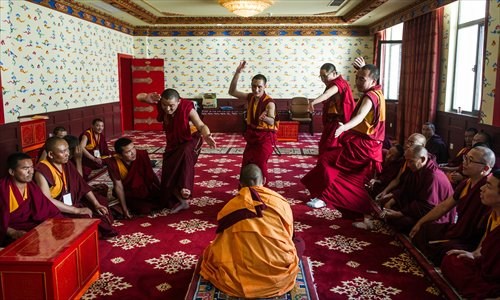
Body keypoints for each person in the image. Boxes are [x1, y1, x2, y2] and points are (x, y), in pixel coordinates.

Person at [200, 164, 299, 298]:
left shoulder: (230, 207)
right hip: (276, 270)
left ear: (240, 183)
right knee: (299, 244)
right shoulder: (280, 202)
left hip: (238, 272)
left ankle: (244, 279)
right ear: (264, 180)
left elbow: (222, 239)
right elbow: (289, 234)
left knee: (212, 253)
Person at [301, 63, 386, 215]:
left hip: (361, 143)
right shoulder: (377, 92)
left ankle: (324, 196)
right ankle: (353, 207)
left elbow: (360, 116)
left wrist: (344, 127)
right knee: (350, 175)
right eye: (357, 78)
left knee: (328, 161)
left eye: (362, 79)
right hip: (367, 143)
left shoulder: (369, 96)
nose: (358, 82)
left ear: (373, 81)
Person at [410, 146, 495, 265]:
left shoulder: (490, 191)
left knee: (446, 252)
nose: (464, 163)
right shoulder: (466, 183)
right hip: (457, 230)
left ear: (485, 168)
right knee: (424, 229)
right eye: (465, 158)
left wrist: (476, 252)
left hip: (471, 240)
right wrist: (420, 222)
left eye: (470, 160)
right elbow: (444, 206)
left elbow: (489, 229)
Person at [137, 88, 216, 213]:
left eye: (171, 106)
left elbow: (201, 125)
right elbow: (138, 96)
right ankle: (182, 201)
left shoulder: (187, 108)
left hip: (190, 140)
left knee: (184, 154)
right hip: (173, 143)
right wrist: (146, 97)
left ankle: (185, 187)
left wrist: (207, 135)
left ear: (179, 102)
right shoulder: (161, 102)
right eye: (164, 105)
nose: (167, 109)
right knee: (169, 171)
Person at [34, 137, 117, 238]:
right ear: (51, 154)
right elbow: (47, 200)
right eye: (63, 151)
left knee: (101, 202)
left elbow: (81, 184)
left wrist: (96, 204)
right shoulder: (41, 171)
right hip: (57, 209)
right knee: (84, 220)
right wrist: (76, 210)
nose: (68, 154)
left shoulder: (66, 164)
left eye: (68, 149)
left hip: (72, 201)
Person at [440, 169, 500, 299]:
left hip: (496, 279)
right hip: (485, 269)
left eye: (488, 186)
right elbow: (486, 242)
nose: (482, 188)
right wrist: (474, 254)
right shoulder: (494, 213)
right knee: (451, 259)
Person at [380, 145, 455, 234]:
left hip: (434, 215)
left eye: (411, 161)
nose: (407, 165)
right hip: (416, 206)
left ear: (423, 159)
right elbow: (405, 189)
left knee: (403, 222)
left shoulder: (432, 176)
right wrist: (391, 201)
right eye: (406, 161)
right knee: (385, 203)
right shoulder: (415, 168)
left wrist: (400, 213)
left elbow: (427, 206)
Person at [228, 60, 278, 182]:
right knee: (246, 163)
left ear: (265, 86)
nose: (256, 89)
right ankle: (245, 190)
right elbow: (232, 92)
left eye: (259, 87)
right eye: (254, 86)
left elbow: (271, 121)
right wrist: (237, 73)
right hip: (252, 136)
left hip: (265, 138)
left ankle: (261, 191)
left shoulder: (269, 103)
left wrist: (265, 118)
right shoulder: (250, 97)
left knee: (260, 164)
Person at [0, 152, 63, 246]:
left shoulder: (32, 187)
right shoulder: (2, 189)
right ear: (12, 172)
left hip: (32, 228)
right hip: (8, 233)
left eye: (31, 167)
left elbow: (48, 209)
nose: (31, 171)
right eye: (25, 168)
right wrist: (13, 232)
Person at [105, 137, 163, 218]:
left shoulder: (142, 155)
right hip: (128, 193)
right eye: (128, 152)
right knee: (145, 209)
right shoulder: (113, 163)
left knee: (165, 200)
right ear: (120, 155)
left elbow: (150, 175)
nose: (133, 153)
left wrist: (160, 189)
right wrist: (124, 210)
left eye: (133, 148)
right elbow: (118, 185)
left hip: (145, 189)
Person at [309, 63, 355, 154]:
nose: (323, 80)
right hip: (332, 120)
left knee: (331, 147)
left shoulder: (338, 84)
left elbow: (327, 95)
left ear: (334, 73)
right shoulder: (333, 83)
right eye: (321, 77)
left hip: (339, 121)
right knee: (325, 145)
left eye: (325, 76)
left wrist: (313, 102)